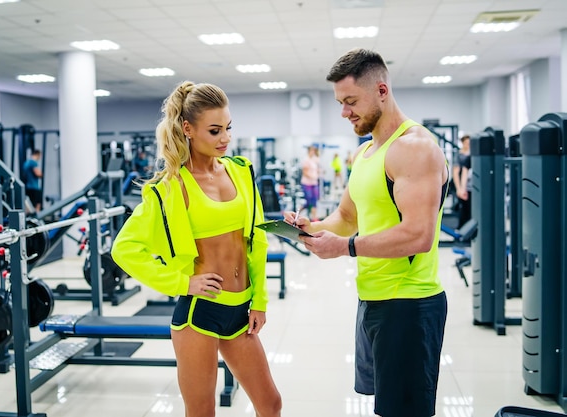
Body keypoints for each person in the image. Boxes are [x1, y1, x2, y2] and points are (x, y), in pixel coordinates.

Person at [284, 48, 448, 417]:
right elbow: (345, 216)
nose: (345, 112)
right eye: (341, 103)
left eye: (351, 101)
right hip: (372, 299)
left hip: (409, 305)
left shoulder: (415, 148)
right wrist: (310, 228)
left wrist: (345, 248)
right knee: (384, 407)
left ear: (382, 91)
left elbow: (418, 235)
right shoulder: (365, 154)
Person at [111, 81, 281, 417]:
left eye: (228, 128)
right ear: (187, 129)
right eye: (215, 130)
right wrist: (182, 283)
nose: (225, 139)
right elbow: (124, 248)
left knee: (271, 403)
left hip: (241, 309)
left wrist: (259, 300)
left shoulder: (241, 172)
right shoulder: (171, 187)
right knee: (202, 411)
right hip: (198, 314)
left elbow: (258, 238)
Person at [453, 134, 471, 228]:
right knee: (464, 208)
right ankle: (462, 229)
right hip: (462, 185)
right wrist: (459, 188)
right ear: (463, 143)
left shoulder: (473, 155)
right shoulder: (459, 155)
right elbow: (456, 172)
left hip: (471, 186)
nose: (468, 145)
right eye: (466, 143)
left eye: (469, 143)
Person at [300, 145, 320, 220]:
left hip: (314, 183)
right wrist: (312, 176)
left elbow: (316, 169)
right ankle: (297, 214)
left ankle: (314, 218)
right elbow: (305, 172)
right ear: (309, 151)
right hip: (307, 184)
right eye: (312, 151)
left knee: (314, 201)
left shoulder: (314, 160)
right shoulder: (306, 160)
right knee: (308, 202)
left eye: (314, 151)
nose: (313, 152)